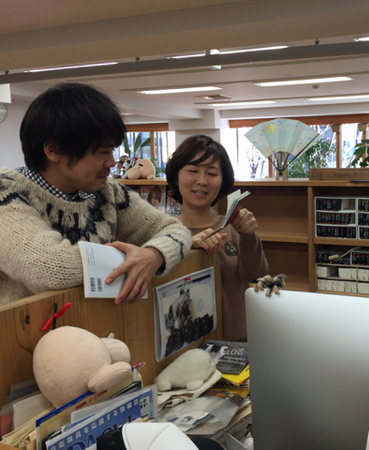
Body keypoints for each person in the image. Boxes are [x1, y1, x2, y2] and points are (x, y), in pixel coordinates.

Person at [0, 83, 192, 306]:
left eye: (112, 150)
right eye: (102, 152)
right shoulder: (7, 193)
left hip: (97, 321)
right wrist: (133, 258)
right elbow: (50, 269)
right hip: (27, 326)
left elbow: (176, 230)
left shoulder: (108, 191)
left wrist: (153, 254)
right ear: (54, 150)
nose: (111, 162)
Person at [165, 135, 268, 341]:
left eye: (212, 173)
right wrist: (189, 246)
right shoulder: (164, 232)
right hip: (182, 347)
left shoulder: (232, 228)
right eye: (193, 170)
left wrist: (248, 236)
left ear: (222, 182)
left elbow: (256, 276)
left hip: (235, 344)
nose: (202, 181)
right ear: (176, 177)